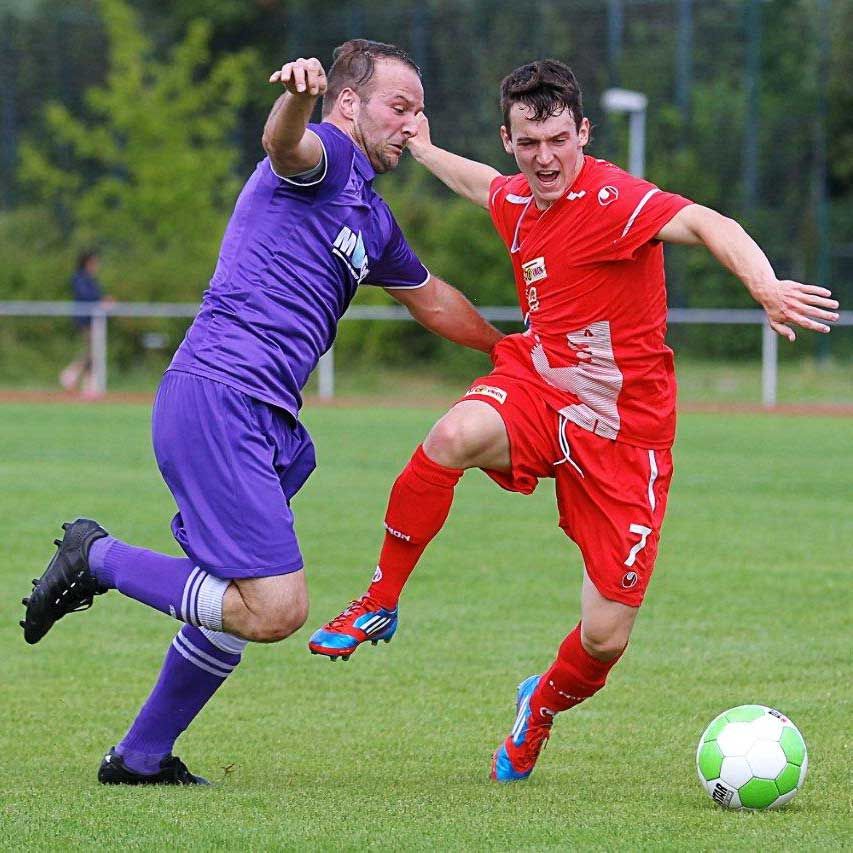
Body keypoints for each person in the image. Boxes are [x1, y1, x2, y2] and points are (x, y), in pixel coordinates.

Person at [309, 59, 839, 782]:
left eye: (558, 139)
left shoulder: (614, 199)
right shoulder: (519, 201)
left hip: (626, 437)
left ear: (582, 132)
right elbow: (480, 186)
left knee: (603, 635)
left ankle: (541, 706)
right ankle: (380, 598)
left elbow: (709, 222)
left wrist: (764, 284)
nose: (544, 157)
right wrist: (426, 149)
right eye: (528, 143)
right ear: (508, 139)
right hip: (539, 389)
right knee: (451, 435)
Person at [20, 40, 502, 785]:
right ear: (349, 104)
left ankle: (140, 757)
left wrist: (512, 351)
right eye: (398, 108)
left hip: (262, 414)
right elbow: (284, 144)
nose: (412, 125)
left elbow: (433, 299)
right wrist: (298, 97)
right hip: (221, 394)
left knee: (231, 598)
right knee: (274, 608)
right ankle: (97, 556)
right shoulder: (328, 156)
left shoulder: (371, 218)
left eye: (419, 111)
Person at [60, 249, 113, 398]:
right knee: (92, 350)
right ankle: (71, 375)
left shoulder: (90, 278)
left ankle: (85, 383)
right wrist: (101, 300)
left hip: (93, 319)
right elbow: (86, 296)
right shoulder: (79, 278)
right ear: (87, 262)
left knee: (93, 351)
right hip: (85, 319)